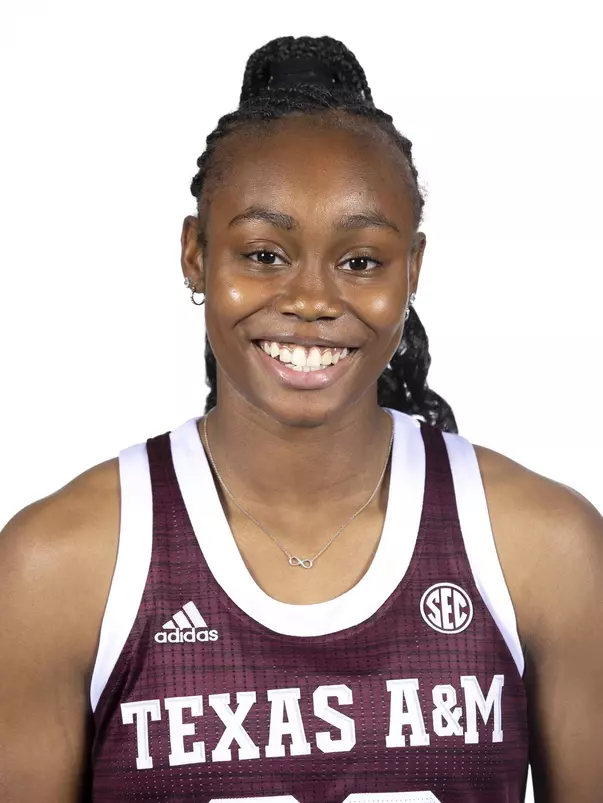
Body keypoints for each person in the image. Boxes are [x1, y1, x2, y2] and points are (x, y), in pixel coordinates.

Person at [0, 34, 601, 803]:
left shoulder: (545, 549)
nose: (313, 298)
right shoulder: (60, 566)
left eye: (360, 260)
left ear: (412, 269)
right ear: (194, 254)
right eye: (263, 253)